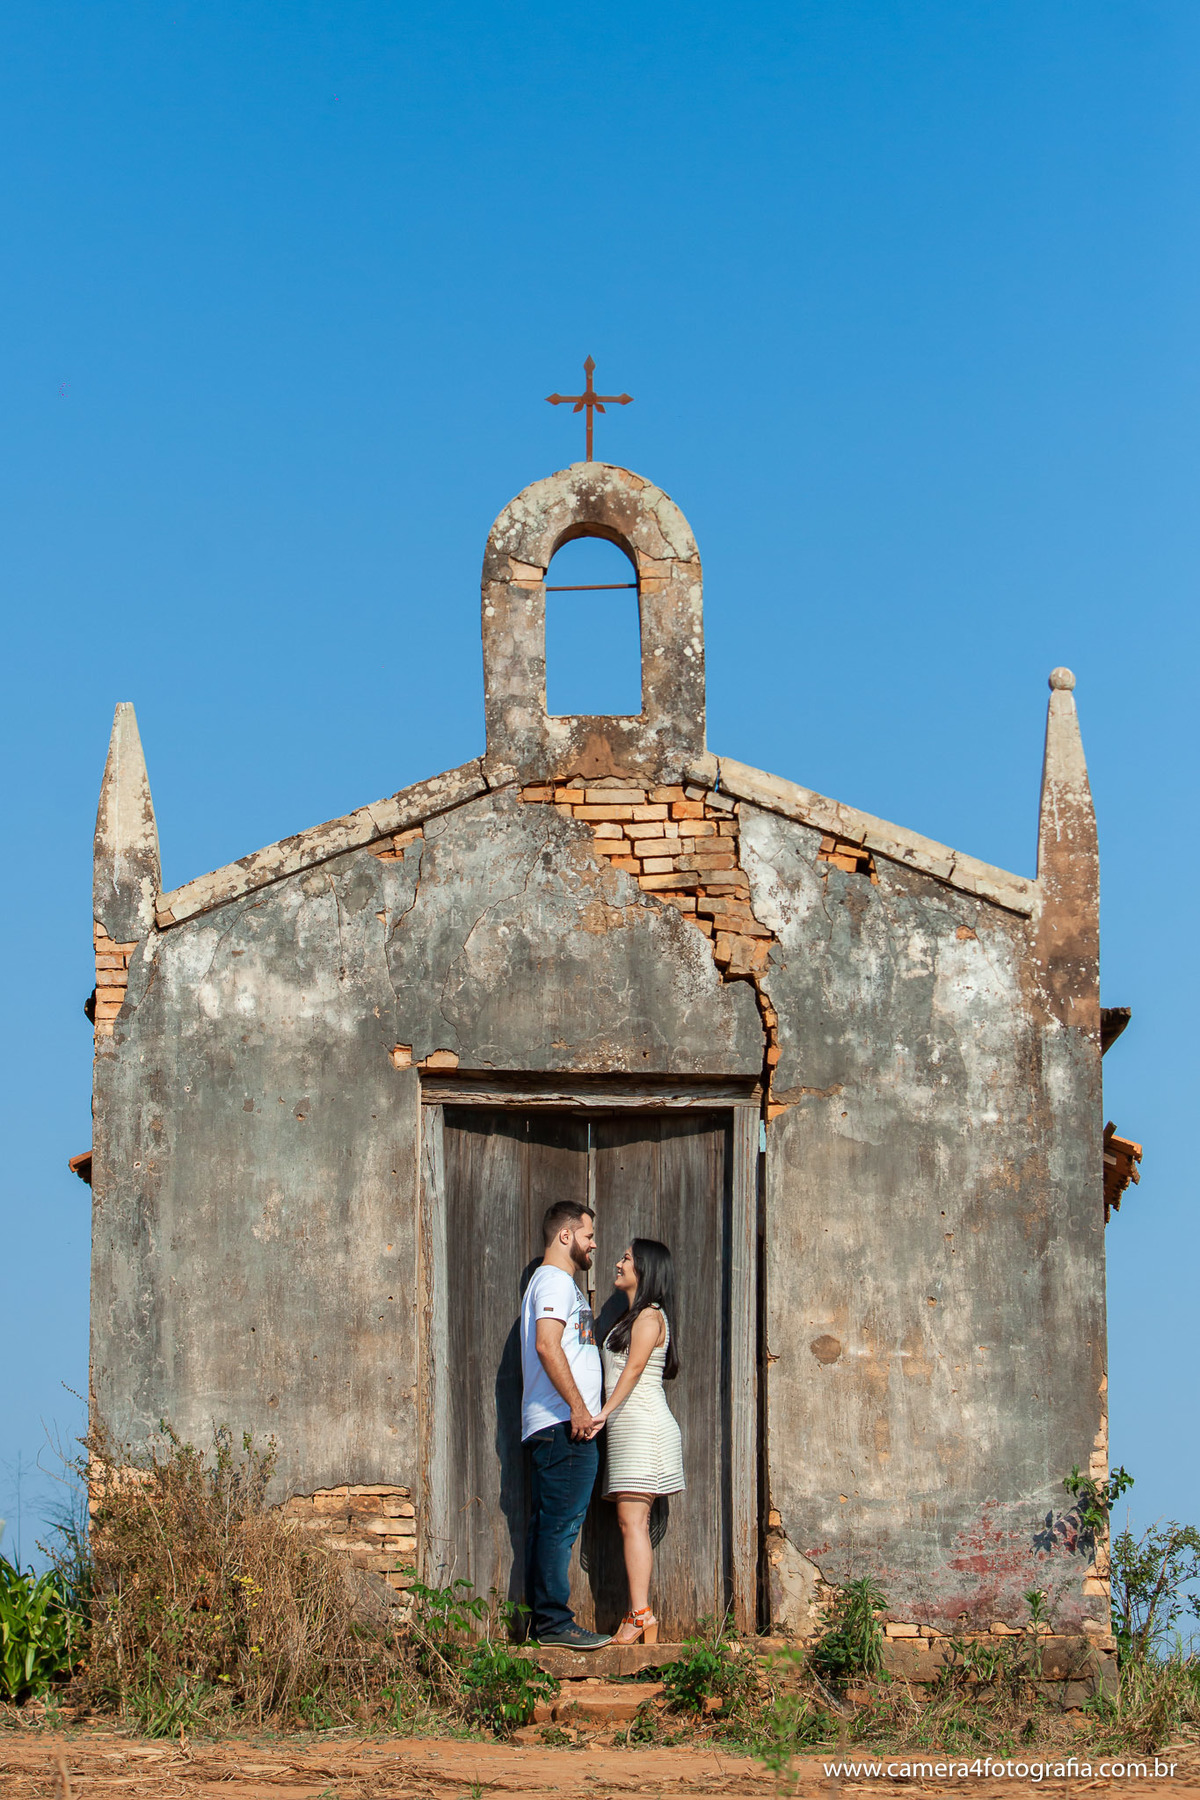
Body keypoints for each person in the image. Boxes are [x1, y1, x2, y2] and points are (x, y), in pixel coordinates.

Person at [520, 1200, 610, 1649]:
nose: (594, 1244)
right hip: (564, 1426)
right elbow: (547, 1345)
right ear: (566, 1236)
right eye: (588, 1235)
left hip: (556, 1425)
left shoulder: (554, 1284)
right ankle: (554, 1624)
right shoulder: (555, 1281)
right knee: (559, 1527)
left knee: (549, 1524)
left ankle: (544, 1623)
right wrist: (578, 1407)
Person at [594, 1238, 685, 1645]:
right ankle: (640, 1614)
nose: (617, 1263)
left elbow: (631, 1372)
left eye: (626, 1258)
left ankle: (640, 1615)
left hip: (642, 1427)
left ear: (645, 1269)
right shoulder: (634, 1317)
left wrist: (602, 1413)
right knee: (632, 1523)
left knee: (633, 1522)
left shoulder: (649, 1317)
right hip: (630, 1427)